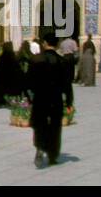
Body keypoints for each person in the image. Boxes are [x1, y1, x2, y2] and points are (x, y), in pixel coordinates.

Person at [27, 31, 73, 169]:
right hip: (56, 99)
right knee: (55, 126)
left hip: (40, 98)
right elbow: (67, 83)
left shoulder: (36, 60)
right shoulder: (62, 61)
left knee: (40, 124)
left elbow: (28, 81)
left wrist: (29, 97)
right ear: (57, 44)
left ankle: (40, 147)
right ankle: (53, 155)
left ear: (44, 43)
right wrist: (69, 101)